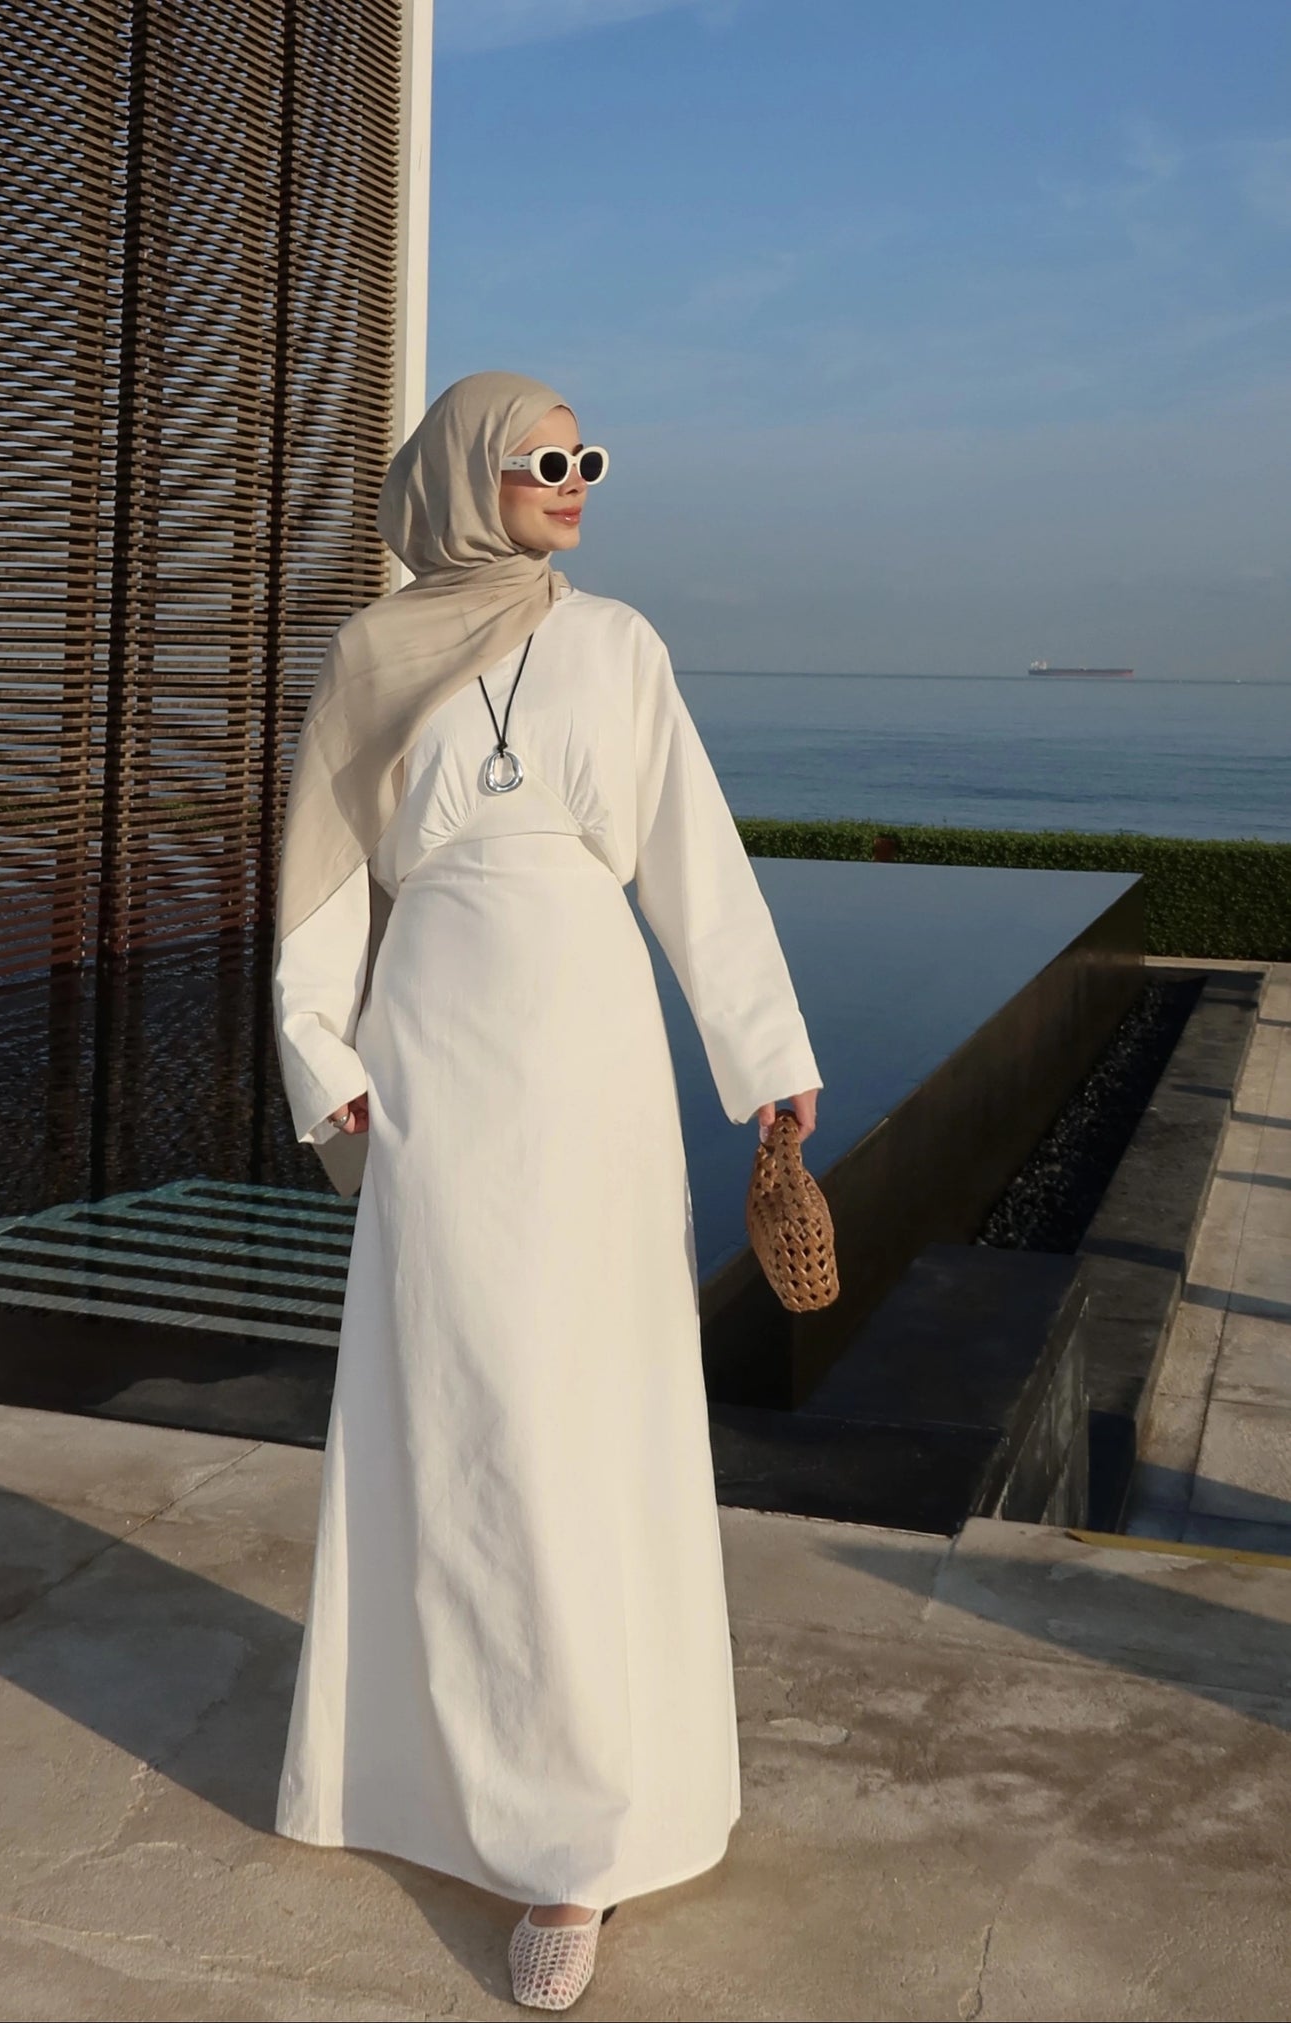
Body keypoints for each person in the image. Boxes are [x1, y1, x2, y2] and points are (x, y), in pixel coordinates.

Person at [271, 371, 823, 2011]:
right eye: (544, 458)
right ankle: (416, 1778)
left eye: (588, 458)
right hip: (435, 1056)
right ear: (464, 475)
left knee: (586, 1418)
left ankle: (579, 1840)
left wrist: (763, 1051)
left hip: (591, 1064)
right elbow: (317, 879)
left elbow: (690, 861)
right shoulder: (372, 660)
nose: (575, 480)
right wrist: (317, 1048)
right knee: (457, 1413)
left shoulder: (618, 646)